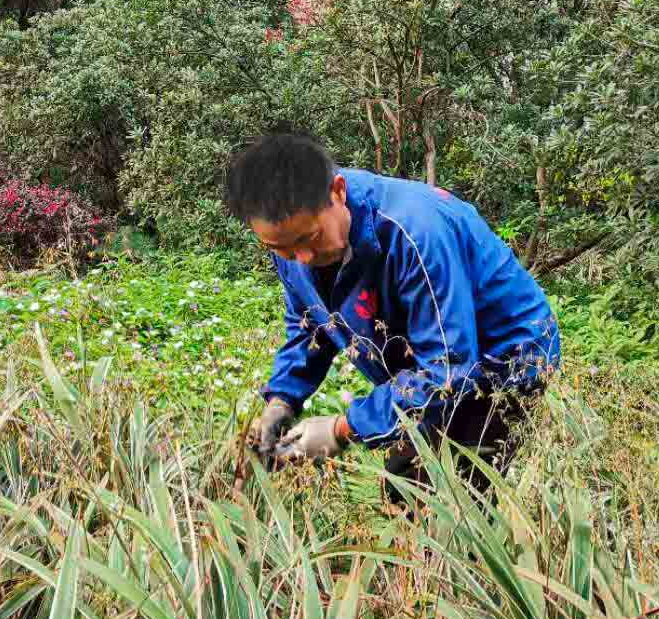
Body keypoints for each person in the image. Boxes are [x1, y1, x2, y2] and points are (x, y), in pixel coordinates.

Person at [226, 132, 560, 506]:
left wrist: (342, 429)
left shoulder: (414, 230)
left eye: (311, 238)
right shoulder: (292, 244)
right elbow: (308, 324)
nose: (300, 257)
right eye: (280, 248)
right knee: (406, 485)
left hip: (501, 359)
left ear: (337, 192)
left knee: (442, 498)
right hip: (426, 351)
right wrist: (282, 400)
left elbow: (447, 370)